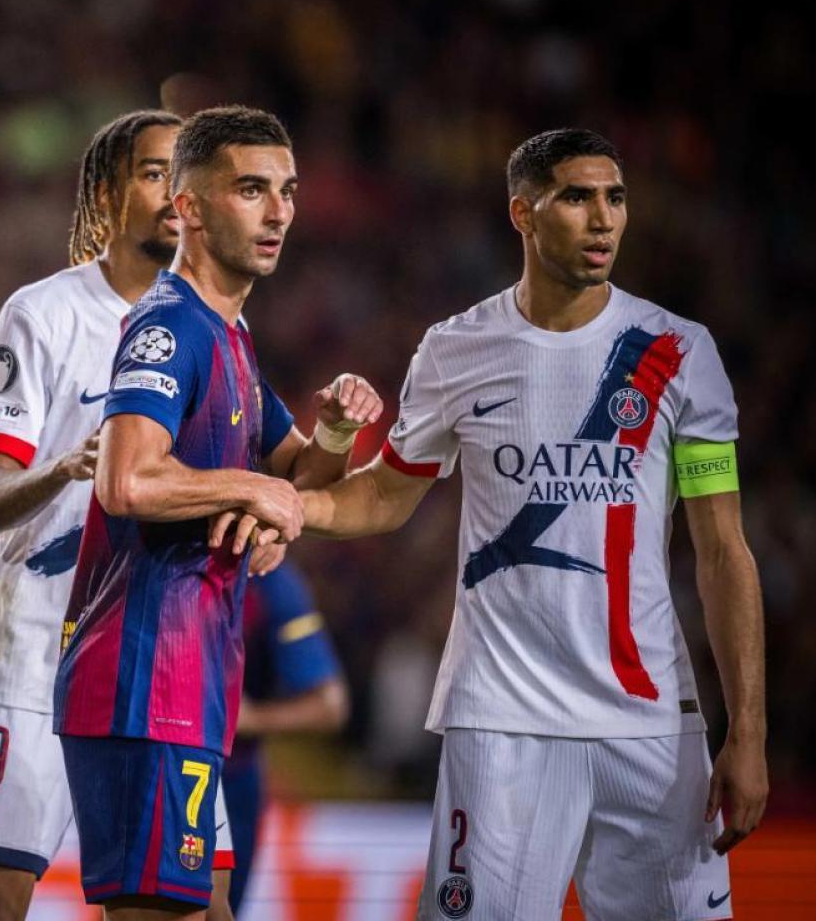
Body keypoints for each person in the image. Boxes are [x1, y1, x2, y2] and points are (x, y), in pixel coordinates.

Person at [298, 128, 766, 920]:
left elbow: (723, 550)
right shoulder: (457, 349)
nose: (603, 219)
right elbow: (385, 495)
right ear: (523, 211)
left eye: (615, 198)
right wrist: (298, 504)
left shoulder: (679, 352)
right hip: (502, 722)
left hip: (648, 725)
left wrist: (747, 730)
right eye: (578, 198)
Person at [52, 105, 381, 920]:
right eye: (250, 189)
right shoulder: (169, 328)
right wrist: (247, 491)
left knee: (212, 910)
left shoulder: (231, 338)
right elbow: (125, 481)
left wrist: (335, 428)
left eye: (286, 191)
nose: (279, 212)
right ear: (190, 207)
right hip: (140, 680)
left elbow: (297, 473)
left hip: (196, 680)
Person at [0, 110, 244, 921]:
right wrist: (67, 468)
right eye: (154, 173)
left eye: (186, 177)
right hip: (34, 658)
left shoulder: (218, 325)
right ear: (109, 191)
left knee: (202, 904)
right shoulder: (41, 315)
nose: (173, 193)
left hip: (157, 664)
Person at [216, 563, 349, 915]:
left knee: (213, 909)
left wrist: (246, 719)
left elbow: (329, 705)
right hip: (143, 767)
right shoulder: (143, 551)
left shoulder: (270, 581)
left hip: (229, 784)